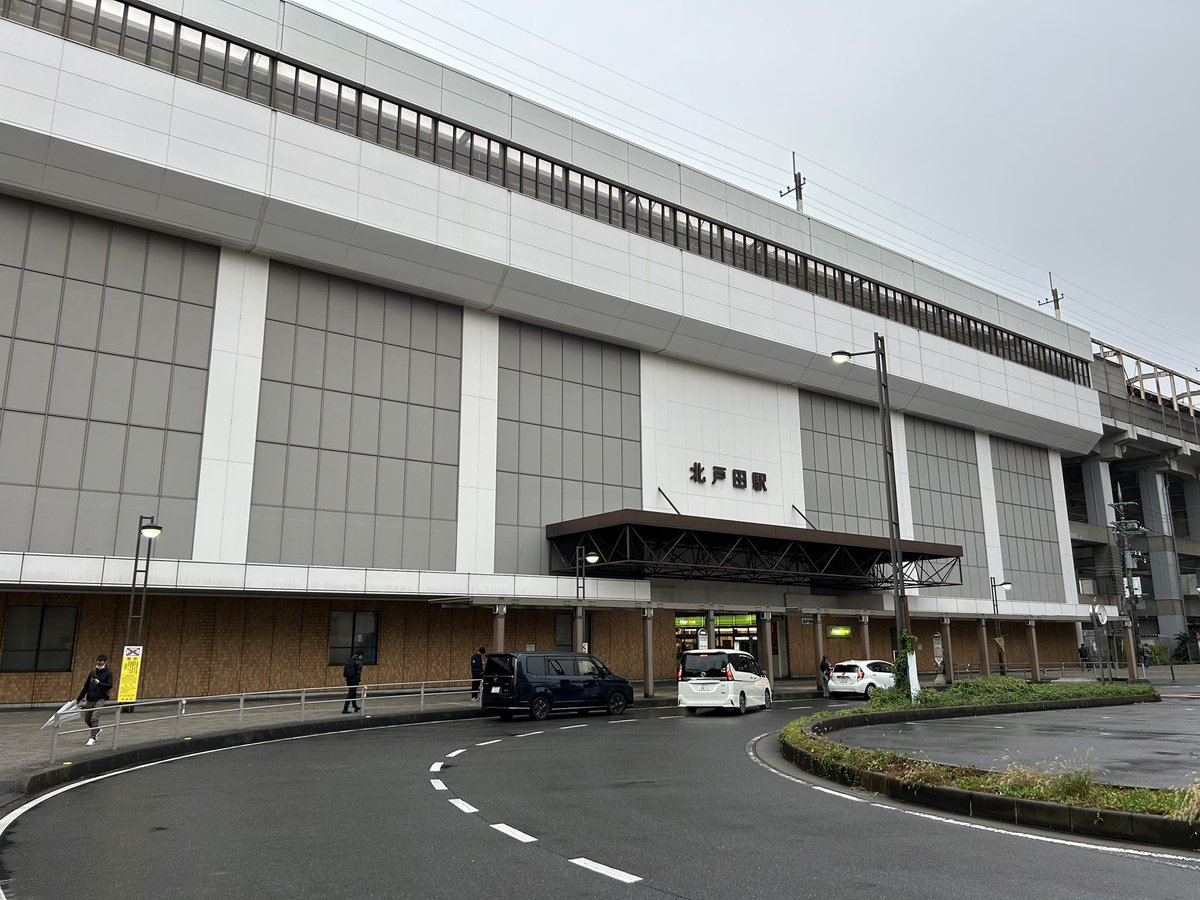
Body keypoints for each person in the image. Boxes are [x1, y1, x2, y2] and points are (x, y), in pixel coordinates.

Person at [76, 654, 113, 746]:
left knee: (94, 718)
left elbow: (109, 685)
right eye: (98, 663)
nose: (99, 665)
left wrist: (99, 683)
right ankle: (97, 730)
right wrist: (79, 698)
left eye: (101, 663)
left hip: (100, 697)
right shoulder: (92, 673)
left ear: (105, 662)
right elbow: (86, 686)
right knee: (87, 719)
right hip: (90, 697)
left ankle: (92, 738)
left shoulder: (108, 673)